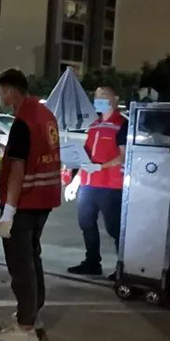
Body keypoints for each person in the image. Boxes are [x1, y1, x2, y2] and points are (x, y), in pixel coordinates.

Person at [0, 68, 61, 341]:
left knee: (21, 264)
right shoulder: (45, 114)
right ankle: (32, 313)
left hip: (25, 201)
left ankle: (25, 327)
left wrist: (8, 211)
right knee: (32, 258)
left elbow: (18, 170)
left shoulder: (23, 121)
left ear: (10, 91)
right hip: (44, 199)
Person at [64, 86, 127, 278]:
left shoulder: (122, 125)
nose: (99, 100)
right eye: (97, 96)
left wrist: (100, 167)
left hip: (111, 186)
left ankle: (123, 268)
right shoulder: (94, 126)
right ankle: (92, 262)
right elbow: (85, 157)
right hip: (88, 184)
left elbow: (123, 157)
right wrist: (75, 182)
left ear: (115, 99)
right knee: (86, 223)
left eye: (104, 96)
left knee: (114, 228)